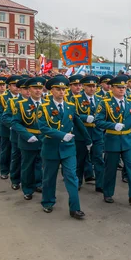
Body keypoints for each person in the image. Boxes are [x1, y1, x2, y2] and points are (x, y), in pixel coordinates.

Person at [37, 76, 89, 219]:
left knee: (72, 177)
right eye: (58, 89)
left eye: (63, 89)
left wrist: (88, 140)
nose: (61, 92)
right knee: (49, 178)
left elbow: (78, 123)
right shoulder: (43, 107)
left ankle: (75, 208)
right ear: (51, 91)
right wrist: (61, 135)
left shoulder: (70, 106)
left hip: (68, 149)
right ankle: (47, 202)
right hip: (51, 147)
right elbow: (43, 128)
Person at [94, 75, 131, 206]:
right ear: (112, 88)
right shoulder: (105, 103)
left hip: (128, 140)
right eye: (119, 87)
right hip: (112, 140)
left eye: (124, 87)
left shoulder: (130, 102)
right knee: (110, 169)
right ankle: (108, 193)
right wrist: (112, 125)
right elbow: (98, 121)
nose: (122, 90)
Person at [12, 77, 45, 199]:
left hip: (43, 139)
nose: (38, 91)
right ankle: (27, 189)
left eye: (40, 88)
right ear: (29, 90)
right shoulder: (21, 104)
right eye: (35, 88)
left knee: (39, 163)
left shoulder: (47, 103)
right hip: (28, 140)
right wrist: (27, 135)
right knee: (27, 165)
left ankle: (38, 183)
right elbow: (15, 123)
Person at [73, 75, 105, 193]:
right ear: (83, 87)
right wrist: (85, 117)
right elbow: (72, 115)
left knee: (98, 159)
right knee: (80, 160)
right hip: (82, 133)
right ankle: (77, 182)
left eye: (94, 86)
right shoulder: (76, 99)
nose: (92, 89)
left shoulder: (100, 99)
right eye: (89, 86)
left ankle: (100, 184)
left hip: (97, 133)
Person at [0, 75, 21, 180]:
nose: (17, 87)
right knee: (6, 151)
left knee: (17, 154)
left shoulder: (24, 97)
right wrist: (13, 125)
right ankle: (4, 170)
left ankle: (16, 172)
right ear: (9, 86)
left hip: (19, 132)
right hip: (7, 129)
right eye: (14, 85)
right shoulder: (2, 97)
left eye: (18, 85)